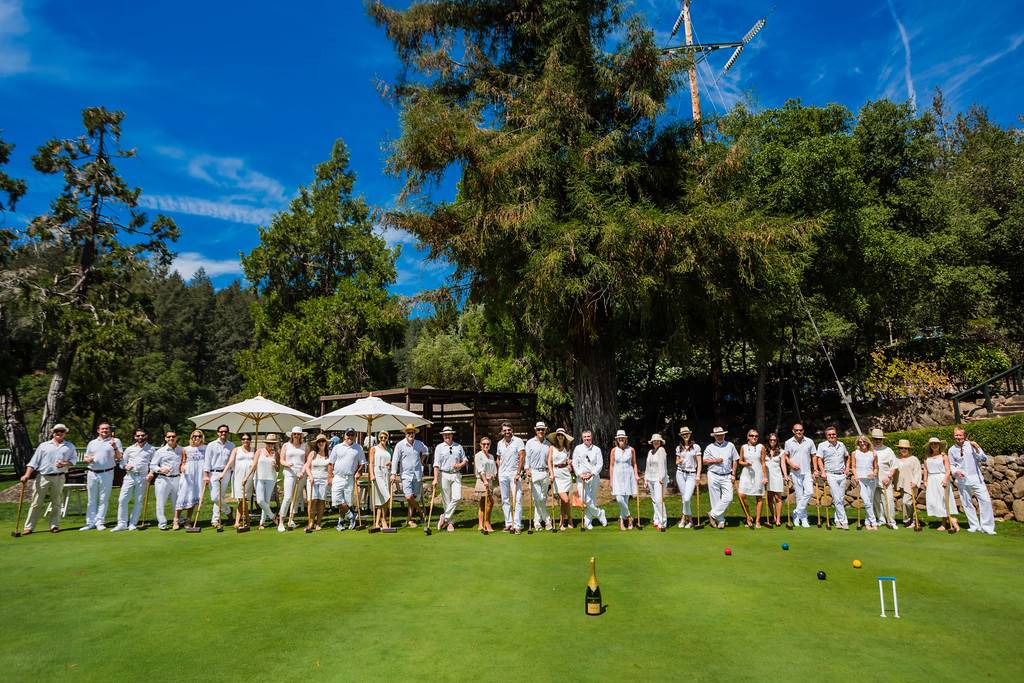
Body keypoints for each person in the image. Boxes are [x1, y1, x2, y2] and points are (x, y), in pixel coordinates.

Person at [20, 424, 77, 534]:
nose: (59, 433)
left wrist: (65, 463)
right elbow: (33, 462)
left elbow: (73, 461)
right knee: (36, 503)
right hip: (43, 476)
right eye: (57, 431)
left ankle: (54, 525)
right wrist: (26, 475)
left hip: (59, 477)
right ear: (53, 433)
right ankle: (29, 527)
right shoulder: (43, 446)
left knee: (57, 502)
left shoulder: (70, 446)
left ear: (65, 433)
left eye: (62, 431)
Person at [947, 427, 996, 535]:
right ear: (954, 436)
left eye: (960, 435)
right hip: (962, 480)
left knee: (986, 501)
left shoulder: (972, 445)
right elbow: (952, 465)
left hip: (976, 478)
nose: (958, 437)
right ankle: (974, 526)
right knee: (966, 503)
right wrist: (956, 472)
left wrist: (977, 447)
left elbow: (983, 458)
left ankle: (987, 527)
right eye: (956, 435)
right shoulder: (951, 450)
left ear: (964, 436)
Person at [80, 422, 122, 531]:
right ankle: (90, 522)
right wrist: (87, 459)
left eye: (107, 429)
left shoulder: (115, 441)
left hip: (107, 473)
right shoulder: (92, 443)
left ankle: (100, 522)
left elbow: (119, 457)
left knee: (103, 498)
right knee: (91, 499)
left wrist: (115, 447)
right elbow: (86, 457)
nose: (105, 431)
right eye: (103, 429)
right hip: (92, 473)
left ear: (110, 430)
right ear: (98, 430)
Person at [111, 428, 155, 532]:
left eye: (142, 435)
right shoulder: (129, 449)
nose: (140, 437)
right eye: (138, 435)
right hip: (129, 477)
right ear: (135, 437)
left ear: (146, 436)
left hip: (142, 477)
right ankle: (122, 524)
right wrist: (125, 466)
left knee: (138, 501)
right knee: (122, 500)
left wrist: (151, 473)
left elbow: (154, 463)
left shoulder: (151, 449)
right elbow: (122, 462)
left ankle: (133, 523)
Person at [390, 424, 430, 527]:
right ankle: (421, 512)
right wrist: (393, 473)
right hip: (406, 475)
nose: (410, 434)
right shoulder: (400, 445)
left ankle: (409, 520)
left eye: (412, 432)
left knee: (414, 498)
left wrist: (422, 461)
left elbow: (426, 451)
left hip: (417, 474)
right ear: (405, 433)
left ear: (415, 434)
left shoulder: (419, 444)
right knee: (408, 497)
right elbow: (395, 460)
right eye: (408, 432)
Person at [814, 426, 850, 530]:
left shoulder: (841, 445)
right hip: (830, 475)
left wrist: (847, 468)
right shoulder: (822, 446)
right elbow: (819, 459)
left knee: (840, 499)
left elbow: (847, 456)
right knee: (837, 499)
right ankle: (844, 521)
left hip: (842, 475)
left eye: (833, 434)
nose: (832, 436)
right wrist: (823, 471)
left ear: (836, 434)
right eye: (829, 434)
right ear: (826, 436)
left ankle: (837, 520)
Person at [329, 429, 365, 531]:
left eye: (352, 435)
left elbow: (362, 463)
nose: (350, 437)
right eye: (348, 434)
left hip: (350, 478)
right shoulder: (337, 447)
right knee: (337, 500)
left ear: (355, 436)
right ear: (344, 436)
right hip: (338, 477)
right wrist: (329, 477)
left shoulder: (358, 448)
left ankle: (341, 522)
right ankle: (351, 515)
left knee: (347, 502)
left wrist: (359, 472)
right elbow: (331, 463)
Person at [433, 426, 467, 532]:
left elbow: (465, 459)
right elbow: (436, 464)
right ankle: (450, 523)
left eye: (449, 434)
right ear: (443, 435)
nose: (447, 436)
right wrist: (435, 479)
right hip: (444, 474)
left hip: (456, 474)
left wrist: (460, 465)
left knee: (457, 497)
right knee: (446, 500)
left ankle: (444, 517)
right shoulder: (439, 447)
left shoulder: (458, 446)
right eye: (445, 434)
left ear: (452, 435)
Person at [703, 427, 737, 529]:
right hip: (713, 474)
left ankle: (712, 514)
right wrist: (715, 461)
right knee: (715, 499)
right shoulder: (710, 447)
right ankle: (721, 521)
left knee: (729, 497)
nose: (719, 436)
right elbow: (704, 461)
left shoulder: (730, 445)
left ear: (724, 435)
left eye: (721, 435)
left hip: (727, 475)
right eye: (717, 435)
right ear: (714, 436)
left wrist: (733, 474)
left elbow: (735, 460)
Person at [572, 430, 607, 529]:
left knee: (592, 499)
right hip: (581, 478)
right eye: (585, 437)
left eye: (588, 436)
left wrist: (591, 474)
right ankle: (600, 513)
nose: (587, 438)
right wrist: (580, 474)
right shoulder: (578, 448)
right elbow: (575, 463)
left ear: (591, 437)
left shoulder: (597, 449)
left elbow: (600, 464)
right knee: (584, 498)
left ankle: (588, 521)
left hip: (593, 477)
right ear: (582, 438)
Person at [495, 421, 526, 533]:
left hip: (514, 473)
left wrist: (518, 472)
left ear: (512, 430)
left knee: (517, 499)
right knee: (505, 499)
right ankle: (508, 523)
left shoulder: (518, 441)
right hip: (503, 474)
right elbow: (498, 458)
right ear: (502, 431)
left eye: (509, 430)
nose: (507, 432)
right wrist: (500, 469)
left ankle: (517, 525)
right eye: (505, 430)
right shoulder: (500, 443)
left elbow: (522, 456)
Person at [923, 437, 959, 531]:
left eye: (936, 443)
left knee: (943, 502)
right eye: (932, 444)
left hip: (941, 479)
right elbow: (925, 470)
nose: (934, 445)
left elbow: (948, 470)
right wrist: (925, 481)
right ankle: (951, 519)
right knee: (933, 502)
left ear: (939, 445)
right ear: (930, 446)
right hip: (931, 480)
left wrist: (945, 480)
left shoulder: (944, 456)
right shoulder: (927, 457)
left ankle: (944, 523)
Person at [783, 423, 815, 528]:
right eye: (796, 430)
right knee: (799, 496)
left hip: (807, 472)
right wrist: (791, 464)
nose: (798, 432)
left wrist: (815, 469)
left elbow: (814, 456)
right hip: (795, 473)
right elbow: (785, 456)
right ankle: (803, 519)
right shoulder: (788, 442)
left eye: (800, 430)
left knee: (809, 492)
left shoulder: (809, 441)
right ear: (793, 431)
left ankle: (796, 511)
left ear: (803, 430)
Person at [203, 424, 235, 530]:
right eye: (221, 431)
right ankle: (228, 510)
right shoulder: (211, 445)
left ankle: (215, 520)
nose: (223, 433)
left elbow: (232, 461)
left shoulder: (231, 445)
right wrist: (206, 475)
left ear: (228, 433)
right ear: (218, 433)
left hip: (226, 473)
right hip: (214, 473)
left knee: (220, 496)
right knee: (215, 497)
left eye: (225, 431)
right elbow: (207, 461)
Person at [247, 433, 281, 528]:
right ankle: (273, 516)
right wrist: (247, 477)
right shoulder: (259, 451)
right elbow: (254, 465)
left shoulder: (276, 454)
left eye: (272, 443)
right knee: (260, 501)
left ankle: (261, 523)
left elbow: (278, 469)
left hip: (271, 479)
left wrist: (275, 465)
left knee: (266, 501)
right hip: (259, 478)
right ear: (266, 443)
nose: (270, 445)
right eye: (269, 443)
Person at [150, 431, 182, 530]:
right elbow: (153, 465)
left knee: (177, 501)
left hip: (177, 478)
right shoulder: (160, 451)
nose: (171, 438)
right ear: (165, 438)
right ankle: (162, 523)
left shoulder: (181, 450)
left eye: (173, 436)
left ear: (176, 437)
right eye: (169, 437)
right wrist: (160, 469)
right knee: (161, 502)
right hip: (163, 479)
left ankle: (177, 519)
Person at [525, 421, 554, 531]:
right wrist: (527, 469)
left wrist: (551, 473)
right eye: (539, 429)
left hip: (545, 472)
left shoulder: (548, 444)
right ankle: (547, 520)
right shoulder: (529, 443)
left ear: (545, 430)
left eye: (542, 429)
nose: (540, 431)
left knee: (543, 498)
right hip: (534, 472)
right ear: (535, 430)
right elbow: (527, 458)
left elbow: (550, 460)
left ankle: (537, 521)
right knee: (537, 498)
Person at [278, 426, 308, 531]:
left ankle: (291, 520)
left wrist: (302, 472)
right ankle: (281, 521)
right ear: (292, 435)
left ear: (301, 435)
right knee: (287, 497)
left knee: (296, 498)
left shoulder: (305, 446)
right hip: (289, 473)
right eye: (294, 434)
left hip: (301, 474)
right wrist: (287, 464)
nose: (296, 435)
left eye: (298, 434)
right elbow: (281, 460)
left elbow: (306, 461)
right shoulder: (286, 445)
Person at [176, 430, 207, 529]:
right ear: (191, 437)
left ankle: (188, 521)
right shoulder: (186, 449)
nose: (197, 438)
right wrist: (182, 466)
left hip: (199, 475)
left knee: (193, 496)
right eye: (194, 436)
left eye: (199, 436)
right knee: (183, 495)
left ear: (202, 437)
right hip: (188, 474)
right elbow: (183, 461)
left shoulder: (206, 448)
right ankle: (176, 519)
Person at [609, 429, 639, 530]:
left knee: (625, 500)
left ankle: (622, 521)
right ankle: (630, 517)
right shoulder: (614, 450)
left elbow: (634, 463)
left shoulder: (631, 450)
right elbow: (611, 465)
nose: (621, 439)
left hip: (628, 476)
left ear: (625, 439)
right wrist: (611, 480)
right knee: (619, 498)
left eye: (622, 438)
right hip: (617, 477)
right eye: (619, 438)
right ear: (617, 440)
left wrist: (636, 474)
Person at [224, 434, 255, 527]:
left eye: (248, 439)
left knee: (244, 499)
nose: (245, 440)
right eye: (243, 439)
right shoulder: (236, 450)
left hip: (249, 476)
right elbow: (230, 462)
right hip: (238, 476)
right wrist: (223, 473)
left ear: (250, 440)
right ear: (241, 440)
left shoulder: (254, 450)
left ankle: (241, 521)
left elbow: (256, 464)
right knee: (241, 499)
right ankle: (243, 521)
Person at [871, 428, 899, 530]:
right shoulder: (869, 450)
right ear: (872, 439)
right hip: (873, 480)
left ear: (883, 439)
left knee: (889, 501)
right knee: (876, 501)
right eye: (876, 439)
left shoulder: (888, 450)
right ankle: (881, 520)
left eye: (880, 439)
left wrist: (889, 477)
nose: (878, 440)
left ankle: (891, 521)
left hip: (886, 479)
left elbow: (894, 466)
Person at [737, 429, 765, 528]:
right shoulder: (743, 447)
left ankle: (757, 521)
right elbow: (740, 461)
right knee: (741, 495)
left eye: (756, 436)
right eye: (752, 435)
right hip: (746, 474)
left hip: (758, 474)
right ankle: (748, 517)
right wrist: (746, 463)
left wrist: (765, 477)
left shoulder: (761, 447)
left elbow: (763, 463)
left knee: (759, 497)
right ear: (748, 437)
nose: (754, 437)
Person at [548, 428, 575, 530]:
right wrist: (551, 473)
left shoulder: (567, 449)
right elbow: (549, 462)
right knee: (565, 499)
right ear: (556, 436)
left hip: (565, 474)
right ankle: (569, 518)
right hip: (556, 474)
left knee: (564, 502)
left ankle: (563, 522)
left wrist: (569, 464)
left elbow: (567, 461)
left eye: (562, 435)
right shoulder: (551, 448)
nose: (560, 436)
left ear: (564, 437)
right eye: (558, 435)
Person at [674, 427, 701, 529]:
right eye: (683, 434)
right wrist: (679, 461)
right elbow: (676, 462)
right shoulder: (679, 448)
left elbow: (699, 462)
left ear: (690, 434)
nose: (685, 435)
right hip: (680, 473)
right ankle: (690, 520)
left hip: (691, 474)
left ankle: (683, 518)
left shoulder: (696, 447)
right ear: (681, 436)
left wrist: (698, 475)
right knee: (684, 498)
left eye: (687, 433)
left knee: (686, 498)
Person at [304, 433, 331, 531]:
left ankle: (318, 523)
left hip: (324, 480)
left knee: (321, 501)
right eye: (319, 441)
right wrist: (310, 476)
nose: (321, 443)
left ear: (326, 443)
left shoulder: (329, 455)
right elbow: (307, 466)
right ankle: (311, 522)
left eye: (323, 441)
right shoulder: (313, 453)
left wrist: (330, 478)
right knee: (312, 501)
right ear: (316, 443)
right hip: (312, 479)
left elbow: (330, 468)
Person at [851, 435, 879, 530]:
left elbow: (876, 467)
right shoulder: (855, 453)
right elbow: (853, 467)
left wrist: (874, 474)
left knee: (870, 502)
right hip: (860, 480)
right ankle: (874, 522)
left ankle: (867, 523)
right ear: (858, 443)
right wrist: (855, 476)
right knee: (866, 502)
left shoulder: (873, 453)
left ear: (867, 442)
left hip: (871, 480)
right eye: (860, 442)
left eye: (864, 441)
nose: (862, 443)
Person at [894, 439, 921, 527]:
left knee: (906, 502)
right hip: (901, 484)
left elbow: (917, 472)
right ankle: (913, 520)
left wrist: (915, 482)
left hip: (911, 484)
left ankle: (907, 520)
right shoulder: (896, 459)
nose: (903, 450)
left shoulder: (914, 459)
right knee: (908, 503)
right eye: (901, 448)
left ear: (909, 449)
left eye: (905, 448)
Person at [644, 434, 669, 531]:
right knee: (654, 500)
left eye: (658, 441)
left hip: (659, 479)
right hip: (650, 478)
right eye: (654, 441)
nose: (656, 442)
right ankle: (656, 519)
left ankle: (663, 522)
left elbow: (663, 465)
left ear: (660, 442)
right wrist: (645, 479)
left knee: (659, 500)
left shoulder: (661, 450)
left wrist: (661, 477)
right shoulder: (650, 452)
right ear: (652, 442)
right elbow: (647, 466)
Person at [369, 431, 393, 530]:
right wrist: (372, 474)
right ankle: (383, 519)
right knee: (387, 496)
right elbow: (371, 463)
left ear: (387, 438)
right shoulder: (374, 448)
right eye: (381, 437)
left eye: (385, 437)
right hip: (377, 472)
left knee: (381, 498)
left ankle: (377, 522)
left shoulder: (389, 449)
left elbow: (391, 462)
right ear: (379, 438)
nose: (383, 439)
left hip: (386, 472)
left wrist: (390, 463)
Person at [474, 436, 497, 533]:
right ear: (480, 445)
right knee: (489, 502)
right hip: (482, 481)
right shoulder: (478, 455)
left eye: (488, 444)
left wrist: (492, 476)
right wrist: (485, 480)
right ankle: (486, 522)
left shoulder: (491, 456)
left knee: (484, 503)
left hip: (489, 481)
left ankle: (481, 524)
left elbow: (494, 470)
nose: (486, 445)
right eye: (484, 444)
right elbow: (480, 470)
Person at [765, 433, 785, 527]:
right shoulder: (764, 451)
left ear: (777, 441)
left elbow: (783, 465)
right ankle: (773, 517)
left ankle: (778, 519)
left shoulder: (781, 451)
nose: (773, 441)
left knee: (778, 498)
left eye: (774, 440)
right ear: (768, 441)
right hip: (767, 476)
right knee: (769, 498)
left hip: (777, 476)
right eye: (771, 440)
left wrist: (785, 475)